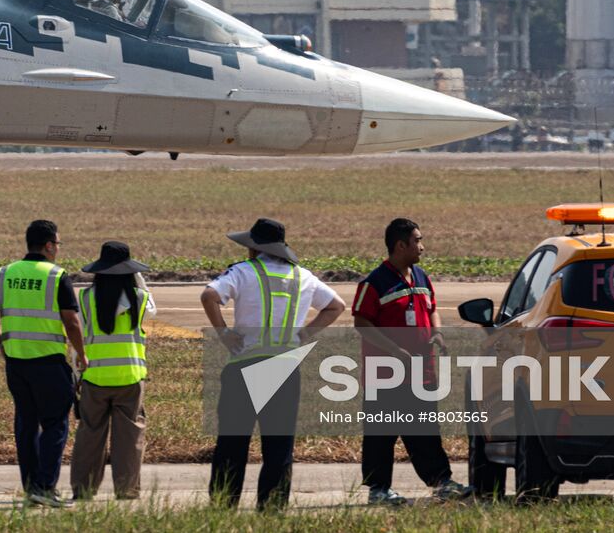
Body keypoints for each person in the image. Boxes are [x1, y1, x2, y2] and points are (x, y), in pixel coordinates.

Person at [201, 218, 346, 510]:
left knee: (232, 443)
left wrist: (224, 333)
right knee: (279, 447)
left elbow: (209, 295)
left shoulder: (243, 271)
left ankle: (222, 507)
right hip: (285, 369)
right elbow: (337, 306)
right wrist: (305, 333)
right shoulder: (302, 276)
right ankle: (272, 510)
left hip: (245, 365)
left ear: (254, 248)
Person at [353, 218, 473, 505]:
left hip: (421, 373)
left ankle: (441, 482)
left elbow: (432, 308)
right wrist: (394, 351)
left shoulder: (421, 277)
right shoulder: (374, 283)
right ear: (400, 245)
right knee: (381, 435)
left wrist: (438, 333)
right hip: (386, 376)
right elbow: (361, 322)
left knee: (426, 431)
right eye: (417, 240)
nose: (422, 246)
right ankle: (378, 490)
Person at [0, 219, 88, 508]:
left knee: (26, 424)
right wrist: (82, 353)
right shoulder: (56, 275)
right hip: (48, 362)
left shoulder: (5, 273)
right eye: (58, 245)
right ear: (49, 245)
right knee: (55, 424)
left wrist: (2, 342)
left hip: (16, 363)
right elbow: (72, 321)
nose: (58, 250)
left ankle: (30, 486)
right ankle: (44, 486)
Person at [71, 242, 156, 500]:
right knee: (129, 438)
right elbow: (152, 308)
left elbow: (79, 341)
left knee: (89, 435)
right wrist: (138, 277)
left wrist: (77, 376)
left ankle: (83, 490)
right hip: (130, 377)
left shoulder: (85, 298)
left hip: (95, 376)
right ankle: (127, 490)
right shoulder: (139, 299)